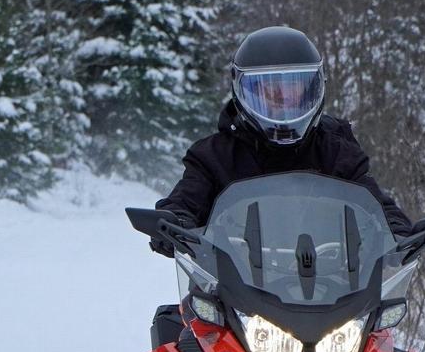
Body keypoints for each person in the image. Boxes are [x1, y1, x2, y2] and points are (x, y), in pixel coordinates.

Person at [150, 25, 411, 258]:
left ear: (313, 89)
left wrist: (399, 233)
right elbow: (185, 200)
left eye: (293, 90)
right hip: (230, 289)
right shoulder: (213, 156)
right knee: (181, 314)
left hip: (332, 288)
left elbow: (376, 206)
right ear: (243, 92)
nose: (282, 102)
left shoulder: (336, 152)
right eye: (270, 92)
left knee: (386, 312)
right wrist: (174, 223)